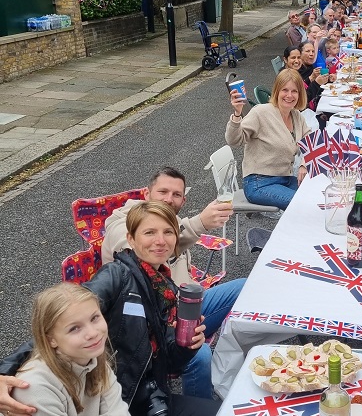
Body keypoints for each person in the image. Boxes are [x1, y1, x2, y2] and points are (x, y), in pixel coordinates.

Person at [1, 201, 221, 416]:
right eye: (150, 232)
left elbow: (168, 361)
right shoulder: (117, 275)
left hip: (148, 393)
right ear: (131, 239)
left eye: (168, 232)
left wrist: (187, 346)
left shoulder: (165, 286)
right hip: (123, 393)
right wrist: (4, 370)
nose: (160, 241)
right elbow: (61, 320)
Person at [100, 167, 246, 400]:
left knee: (245, 287)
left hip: (184, 304)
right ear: (147, 195)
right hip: (152, 321)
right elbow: (133, 254)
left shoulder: (173, 221)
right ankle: (199, 404)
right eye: (163, 192)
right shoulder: (123, 221)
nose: (169, 199)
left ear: (183, 199)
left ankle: (243, 368)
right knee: (201, 355)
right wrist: (199, 223)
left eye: (176, 194)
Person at [11, 283, 129, 416]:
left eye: (94, 318)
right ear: (51, 339)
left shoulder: (95, 361)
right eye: (74, 328)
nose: (92, 333)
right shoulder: (35, 388)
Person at [226, 69, 311, 211]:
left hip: (285, 178)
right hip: (259, 184)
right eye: (285, 90)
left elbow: (313, 143)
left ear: (300, 94)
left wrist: (304, 163)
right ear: (277, 91)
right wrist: (237, 113)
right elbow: (234, 140)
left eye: (294, 91)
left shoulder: (296, 115)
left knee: (316, 197)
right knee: (302, 205)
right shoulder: (261, 112)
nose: (289, 95)